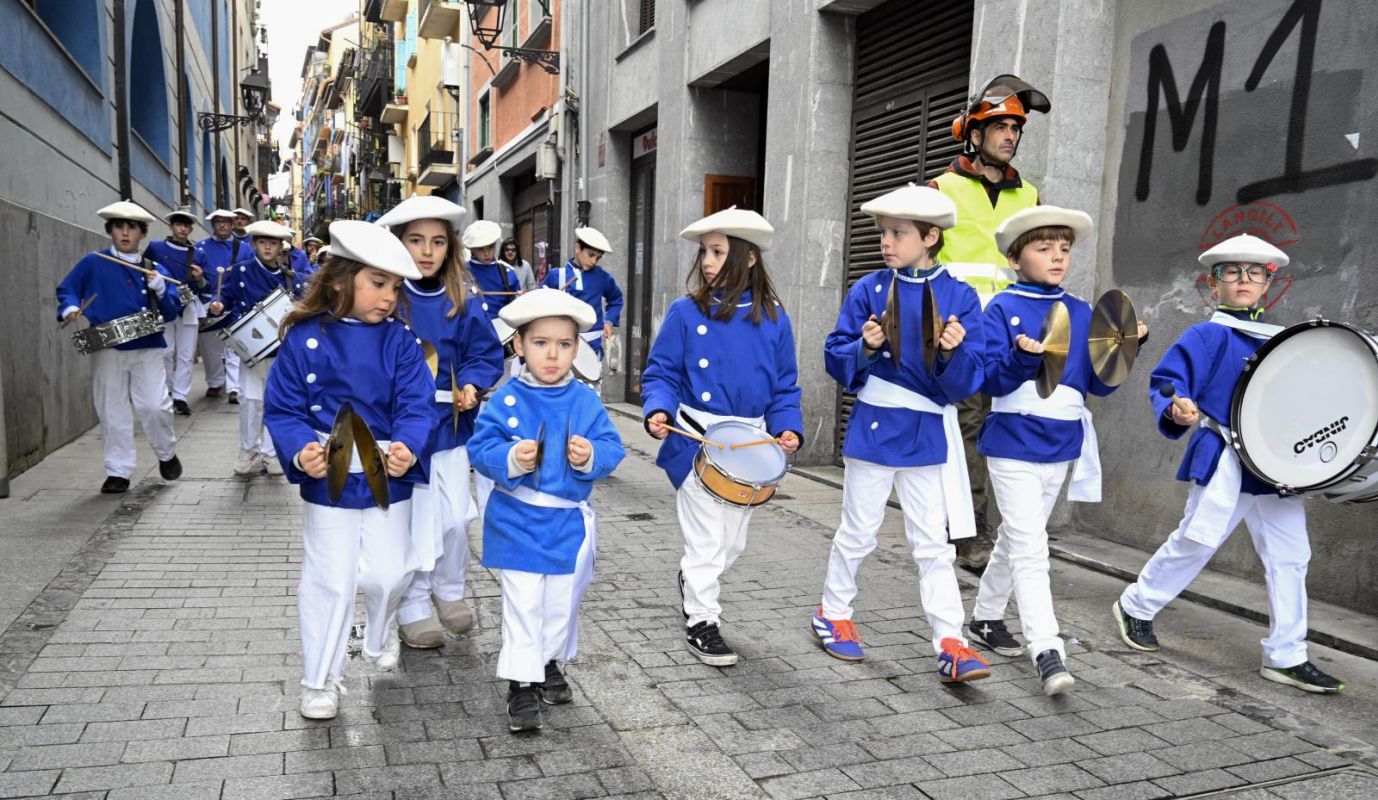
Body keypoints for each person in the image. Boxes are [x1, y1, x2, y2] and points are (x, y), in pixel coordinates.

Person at [1113, 233, 1345, 694]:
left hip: (1276, 470)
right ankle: (1135, 606)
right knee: (1197, 542)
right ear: (1213, 284)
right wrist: (1176, 406)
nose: (1243, 280)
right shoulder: (1206, 334)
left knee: (1291, 556)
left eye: (1254, 273)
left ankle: (1287, 654)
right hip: (1227, 460)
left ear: (1268, 286)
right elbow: (1166, 382)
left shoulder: (1285, 340)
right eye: (1232, 272)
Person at [812, 184, 991, 684]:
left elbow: (972, 378)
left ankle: (951, 640)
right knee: (858, 531)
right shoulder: (866, 289)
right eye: (884, 232)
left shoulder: (960, 296)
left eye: (898, 233)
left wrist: (955, 353)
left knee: (933, 543)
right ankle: (832, 611)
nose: (886, 242)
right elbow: (835, 356)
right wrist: (864, 349)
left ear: (931, 236)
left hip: (929, 430)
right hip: (874, 425)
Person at [967, 206, 1145, 695]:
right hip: (1012, 439)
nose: (1057, 257)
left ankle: (984, 619)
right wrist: (1024, 355)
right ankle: (1046, 648)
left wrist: (1128, 348)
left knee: (1017, 537)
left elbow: (1099, 388)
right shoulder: (999, 309)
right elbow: (990, 380)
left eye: (1064, 249)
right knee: (1031, 547)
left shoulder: (1085, 311)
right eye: (1044, 248)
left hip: (1064, 442)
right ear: (1015, 257)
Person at [263, 220, 434, 720]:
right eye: (378, 283)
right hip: (330, 474)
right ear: (340, 279)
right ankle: (320, 679)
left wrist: (407, 445)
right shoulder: (302, 338)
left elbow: (417, 405)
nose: (388, 297)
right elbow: (284, 408)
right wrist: (299, 452)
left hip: (386, 472)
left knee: (388, 574)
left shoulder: (401, 341)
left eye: (395, 288)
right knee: (328, 579)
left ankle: (380, 633)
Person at [641, 208, 803, 667]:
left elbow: (785, 386)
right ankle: (702, 620)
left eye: (718, 251)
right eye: (704, 252)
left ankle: (693, 577)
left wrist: (788, 427)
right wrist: (657, 408)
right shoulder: (685, 312)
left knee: (732, 545)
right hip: (695, 440)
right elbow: (662, 373)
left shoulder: (774, 319)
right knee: (708, 541)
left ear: (748, 259)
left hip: (750, 446)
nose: (707, 261)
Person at [468, 288, 625, 732]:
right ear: (519, 346)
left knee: (560, 606)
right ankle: (521, 683)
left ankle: (549, 661)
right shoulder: (504, 398)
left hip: (565, 524)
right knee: (523, 604)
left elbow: (613, 448)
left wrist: (591, 455)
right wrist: (511, 459)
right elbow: (480, 448)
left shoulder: (585, 400)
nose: (552, 355)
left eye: (563, 344)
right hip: (516, 520)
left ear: (577, 348)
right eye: (540, 343)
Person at [931, 74, 1050, 570]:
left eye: (1016, 130)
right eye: (1000, 127)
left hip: (1015, 338)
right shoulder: (941, 189)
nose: (1010, 137)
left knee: (1014, 426)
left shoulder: (1032, 197)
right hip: (962, 335)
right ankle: (970, 531)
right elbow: (924, 265)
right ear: (974, 135)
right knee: (970, 427)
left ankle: (1012, 530)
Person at [377, 196, 505, 650]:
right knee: (411, 520)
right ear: (398, 244)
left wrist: (471, 382)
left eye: (436, 241)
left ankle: (449, 589)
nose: (427, 251)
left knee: (453, 519)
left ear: (450, 248)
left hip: (451, 428)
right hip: (400, 434)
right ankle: (412, 604)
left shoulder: (463, 300)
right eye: (415, 240)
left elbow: (485, 353)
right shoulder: (386, 297)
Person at [56, 200, 183, 494]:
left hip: (148, 345)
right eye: (118, 227)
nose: (125, 233)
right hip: (107, 346)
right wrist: (70, 308)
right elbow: (68, 289)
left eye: (132, 228)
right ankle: (118, 471)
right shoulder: (93, 262)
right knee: (112, 409)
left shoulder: (155, 268)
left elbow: (172, 311)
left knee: (155, 406)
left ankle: (166, 453)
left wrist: (162, 289)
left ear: (142, 234)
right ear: (110, 231)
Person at [206, 220, 295, 477]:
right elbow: (223, 297)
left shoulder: (290, 279)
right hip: (252, 348)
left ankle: (271, 453)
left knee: (276, 401)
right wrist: (217, 305)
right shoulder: (241, 271)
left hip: (281, 352)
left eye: (273, 243)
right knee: (251, 401)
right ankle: (248, 450)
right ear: (254, 244)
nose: (268, 247)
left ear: (280, 246)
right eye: (263, 242)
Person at [145, 208, 207, 417]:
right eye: (178, 224)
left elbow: (204, 286)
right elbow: (143, 270)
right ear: (171, 226)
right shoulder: (155, 248)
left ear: (190, 229)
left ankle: (180, 396)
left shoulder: (198, 253)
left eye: (186, 225)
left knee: (187, 354)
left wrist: (199, 279)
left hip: (188, 306)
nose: (182, 228)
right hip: (163, 304)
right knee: (165, 351)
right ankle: (168, 391)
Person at [542, 227, 623, 359]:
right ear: (578, 248)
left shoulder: (602, 277)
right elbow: (539, 304)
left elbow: (616, 299)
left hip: (592, 345)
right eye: (590, 255)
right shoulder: (557, 276)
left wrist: (609, 321)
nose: (593, 262)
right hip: (561, 345)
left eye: (598, 258)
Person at [195, 209, 246, 402]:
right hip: (209, 300)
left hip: (234, 302)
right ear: (213, 225)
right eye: (218, 222)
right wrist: (199, 279)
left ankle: (234, 387)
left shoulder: (244, 249)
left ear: (232, 225)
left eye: (226, 222)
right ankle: (215, 382)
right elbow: (196, 279)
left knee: (234, 347)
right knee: (210, 346)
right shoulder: (200, 248)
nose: (222, 225)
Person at [461, 220, 521, 320]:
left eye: (491, 247)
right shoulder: (460, 272)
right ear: (471, 248)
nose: (487, 253)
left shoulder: (507, 272)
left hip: (502, 330)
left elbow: (516, 307)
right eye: (481, 249)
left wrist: (521, 298)